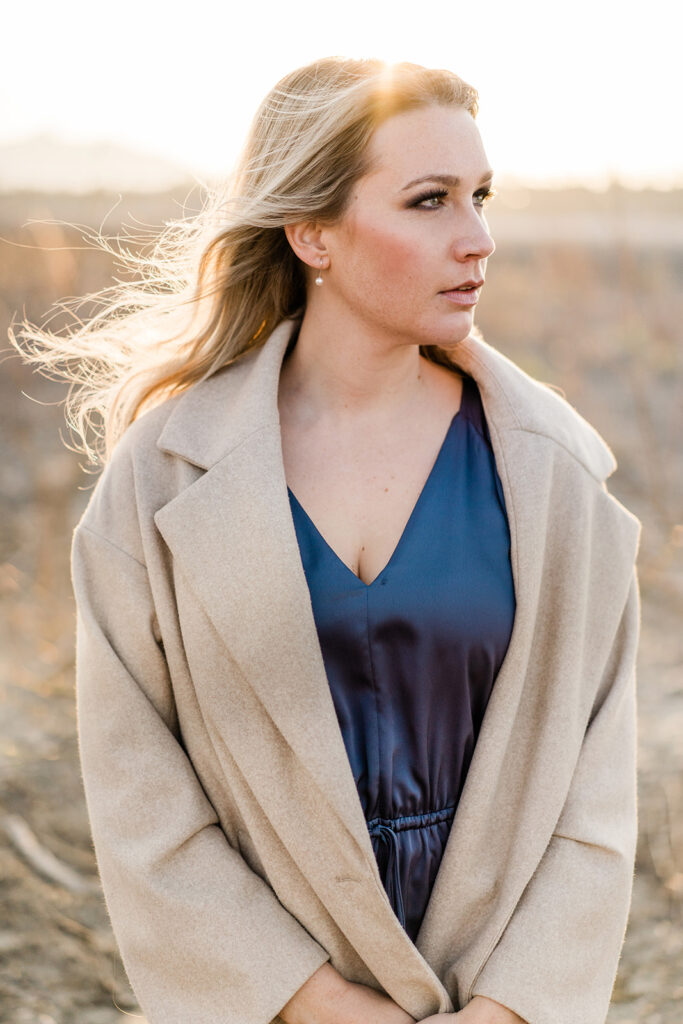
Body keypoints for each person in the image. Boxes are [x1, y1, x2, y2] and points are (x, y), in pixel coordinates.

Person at [12, 57, 642, 1024]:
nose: (477, 239)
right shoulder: (161, 477)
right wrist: (319, 1005)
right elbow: (141, 797)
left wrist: (509, 1008)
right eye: (429, 201)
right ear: (311, 231)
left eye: (480, 197)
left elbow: (594, 795)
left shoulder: (554, 473)